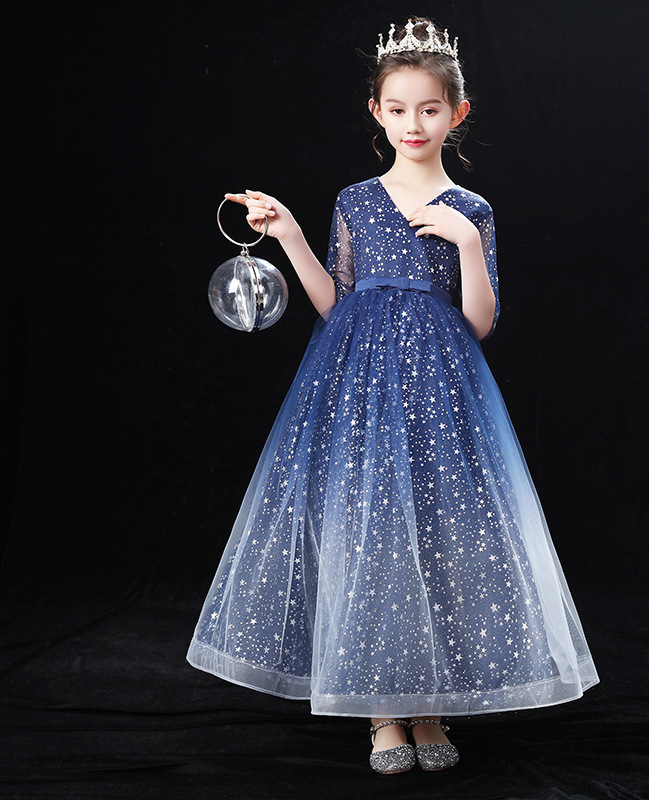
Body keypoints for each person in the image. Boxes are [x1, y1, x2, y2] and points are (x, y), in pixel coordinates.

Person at [187, 17, 599, 775]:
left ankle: (429, 704)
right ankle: (381, 712)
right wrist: (288, 233)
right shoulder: (356, 200)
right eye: (399, 108)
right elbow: (335, 303)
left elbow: (479, 322)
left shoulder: (472, 210)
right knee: (371, 534)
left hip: (441, 391)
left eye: (430, 109)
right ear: (376, 112)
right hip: (359, 391)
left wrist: (464, 241)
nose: (415, 123)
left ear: (457, 113)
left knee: (438, 535)